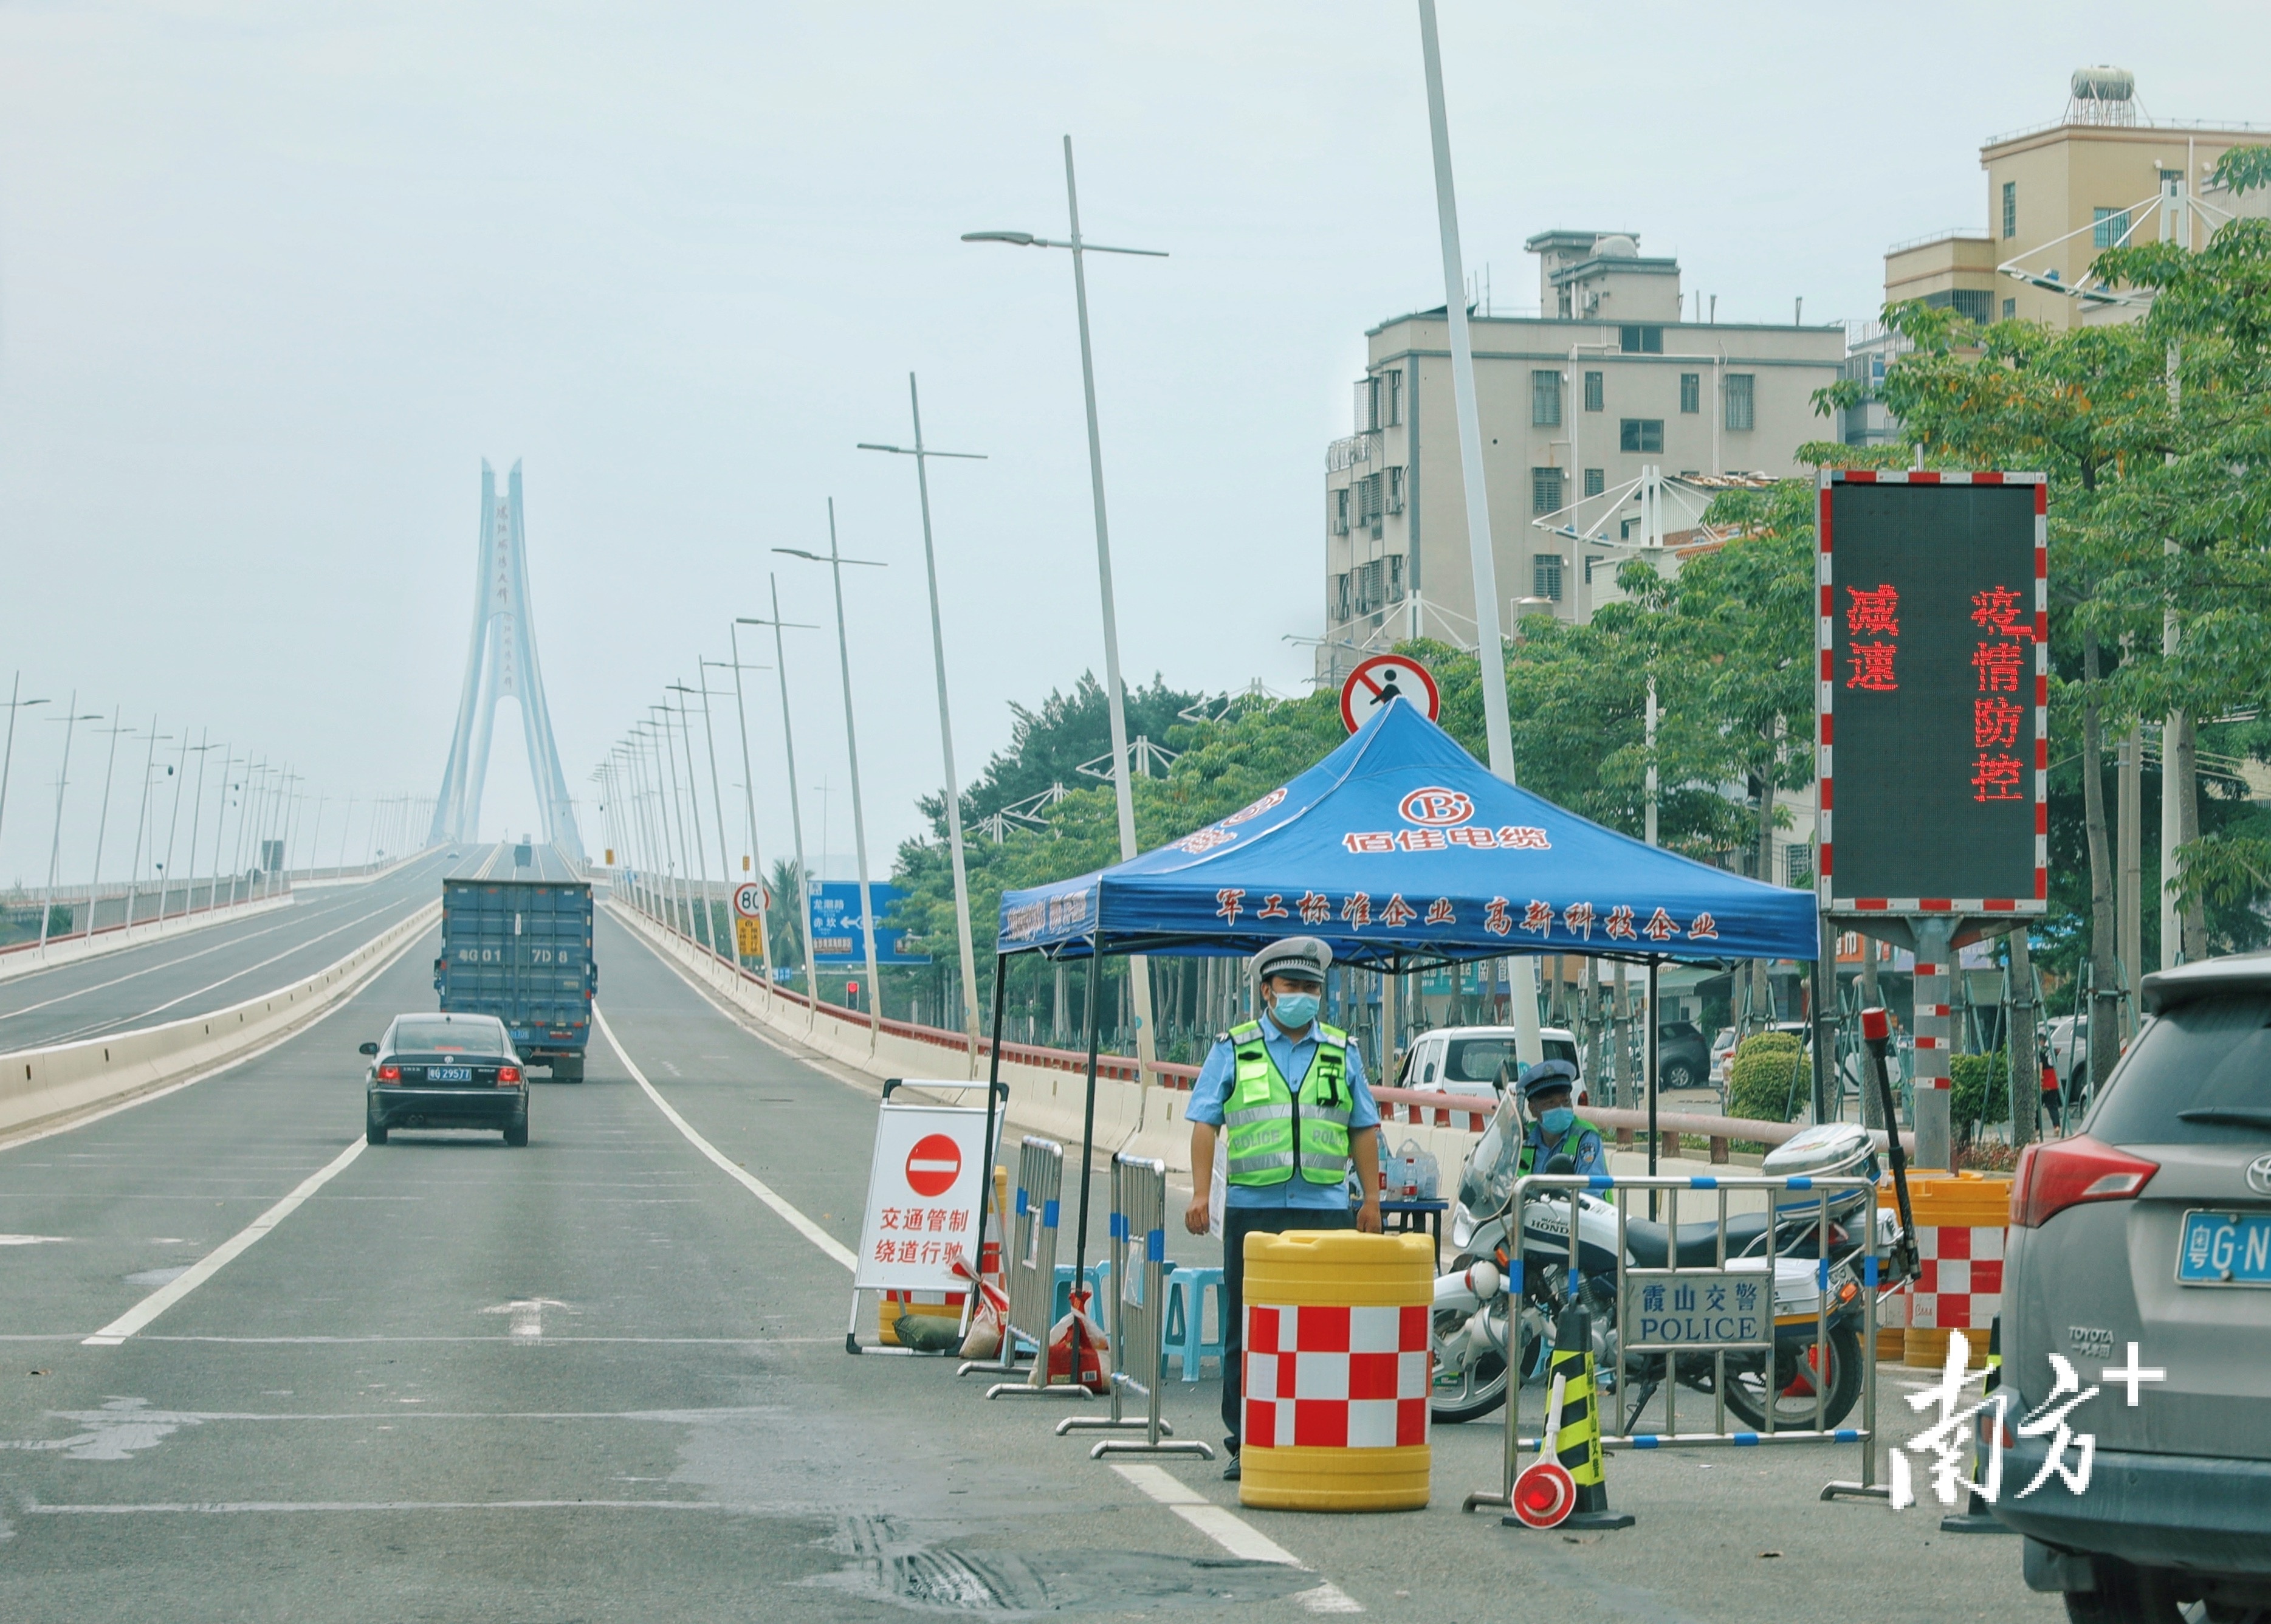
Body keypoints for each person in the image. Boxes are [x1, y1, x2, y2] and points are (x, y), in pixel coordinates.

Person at [1184, 936, 1382, 1481]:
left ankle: (1318, 1434)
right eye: (1292, 986)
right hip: (1255, 1211)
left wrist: (1370, 1199)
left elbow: (1363, 1127)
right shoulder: (1234, 1047)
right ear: (1267, 991)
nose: (1303, 996)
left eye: (1311, 988)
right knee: (1246, 1331)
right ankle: (1246, 1443)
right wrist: (1201, 1194)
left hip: (1325, 1210)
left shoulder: (1342, 1050)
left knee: (1326, 1330)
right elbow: (1205, 1123)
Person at [1511, 1058, 1608, 1178]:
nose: (1560, 1108)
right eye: (1550, 1103)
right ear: (1533, 1109)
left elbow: (1592, 1186)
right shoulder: (1523, 1137)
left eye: (1565, 1101)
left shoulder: (1586, 1135)